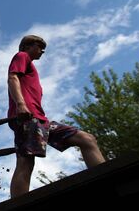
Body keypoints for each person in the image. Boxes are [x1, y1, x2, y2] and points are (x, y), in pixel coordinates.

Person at [7, 35, 105, 198]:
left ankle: (106, 177)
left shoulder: (31, 68)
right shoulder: (21, 56)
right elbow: (12, 77)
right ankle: (17, 209)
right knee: (25, 162)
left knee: (87, 139)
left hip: (41, 120)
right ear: (27, 46)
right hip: (27, 117)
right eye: (40, 47)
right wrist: (20, 105)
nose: (42, 51)